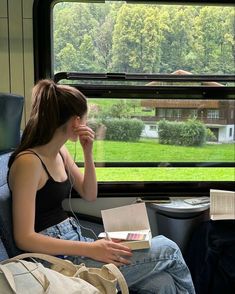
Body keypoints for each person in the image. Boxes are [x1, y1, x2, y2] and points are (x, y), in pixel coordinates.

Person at [8, 79, 195, 294]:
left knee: (163, 283)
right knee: (169, 249)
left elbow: (89, 194)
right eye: (86, 119)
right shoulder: (29, 162)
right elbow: (24, 236)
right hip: (58, 260)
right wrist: (91, 249)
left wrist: (88, 153)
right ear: (76, 122)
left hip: (77, 243)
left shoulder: (61, 152)